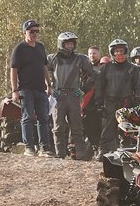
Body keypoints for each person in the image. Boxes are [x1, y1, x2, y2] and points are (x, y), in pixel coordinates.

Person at [48, 31, 97, 160]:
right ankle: (60, 154)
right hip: (58, 95)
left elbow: (93, 74)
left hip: (74, 95)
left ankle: (81, 154)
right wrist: (49, 88)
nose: (70, 46)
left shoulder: (81, 59)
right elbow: (42, 72)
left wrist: (83, 89)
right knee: (58, 127)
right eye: (67, 44)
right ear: (61, 44)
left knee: (77, 127)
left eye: (71, 44)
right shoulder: (52, 58)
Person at [9, 19, 55, 157]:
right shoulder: (19, 49)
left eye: (36, 31)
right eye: (31, 31)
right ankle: (29, 147)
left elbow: (44, 67)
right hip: (25, 89)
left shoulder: (40, 47)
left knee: (43, 118)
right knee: (28, 117)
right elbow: (13, 70)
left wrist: (49, 85)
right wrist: (14, 90)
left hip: (40, 89)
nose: (34, 34)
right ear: (24, 33)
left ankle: (44, 148)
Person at [94, 39, 140, 154]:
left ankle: (125, 152)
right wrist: (99, 102)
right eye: (116, 51)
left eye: (121, 51)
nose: (119, 54)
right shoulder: (105, 68)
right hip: (109, 103)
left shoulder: (134, 69)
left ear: (126, 52)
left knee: (126, 130)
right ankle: (103, 151)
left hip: (126, 103)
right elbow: (99, 86)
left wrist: (137, 102)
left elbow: (138, 87)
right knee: (107, 129)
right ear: (112, 53)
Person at [82, 47, 104, 153]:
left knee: (99, 127)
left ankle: (99, 148)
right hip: (87, 102)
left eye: (94, 53)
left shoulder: (104, 67)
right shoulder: (84, 69)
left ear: (99, 54)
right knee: (88, 126)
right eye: (90, 53)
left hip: (100, 101)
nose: (92, 55)